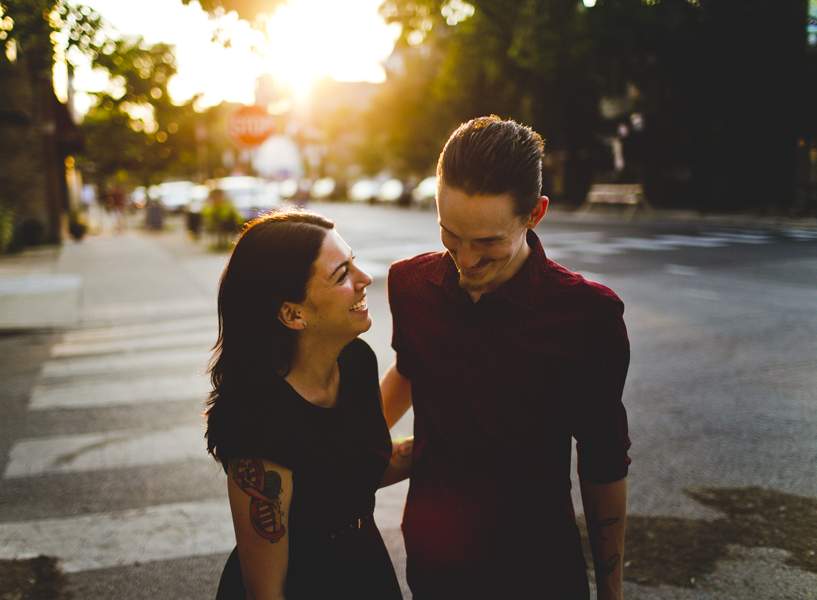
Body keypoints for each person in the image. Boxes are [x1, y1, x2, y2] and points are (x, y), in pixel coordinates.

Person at [382, 116, 631, 600]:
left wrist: (612, 592)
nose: (466, 260)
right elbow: (409, 371)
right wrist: (338, 458)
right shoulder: (409, 287)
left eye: (488, 243)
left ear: (534, 215)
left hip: (537, 574)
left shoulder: (587, 316)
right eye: (450, 235)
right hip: (433, 566)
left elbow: (603, 463)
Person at [205, 209, 412, 600]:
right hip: (306, 583)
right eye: (342, 274)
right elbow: (265, 591)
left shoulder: (356, 362)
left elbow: (351, 468)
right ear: (292, 313)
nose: (365, 279)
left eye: (353, 262)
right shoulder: (258, 424)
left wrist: (449, 446)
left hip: (366, 568)